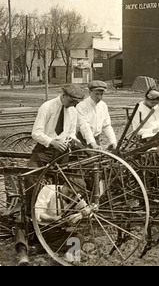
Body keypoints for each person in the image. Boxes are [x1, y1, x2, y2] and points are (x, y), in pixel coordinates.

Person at [16, 84, 85, 266]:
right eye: (72, 101)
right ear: (63, 95)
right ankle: (32, 214)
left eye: (77, 102)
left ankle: (63, 220)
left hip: (62, 150)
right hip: (45, 149)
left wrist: (72, 141)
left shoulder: (72, 110)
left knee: (67, 183)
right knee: (31, 178)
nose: (74, 105)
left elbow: (70, 131)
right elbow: (36, 133)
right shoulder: (47, 107)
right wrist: (52, 142)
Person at [76, 81, 117, 150]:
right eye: (97, 94)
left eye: (101, 94)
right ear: (89, 92)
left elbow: (106, 125)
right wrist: (93, 144)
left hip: (96, 139)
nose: (99, 97)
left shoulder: (103, 105)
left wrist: (113, 142)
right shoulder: (82, 106)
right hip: (82, 140)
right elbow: (84, 126)